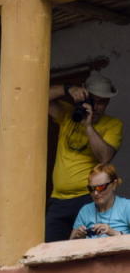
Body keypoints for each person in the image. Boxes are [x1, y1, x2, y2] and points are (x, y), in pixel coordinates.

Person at [46, 72, 122, 242]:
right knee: (51, 253)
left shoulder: (113, 125)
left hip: (88, 197)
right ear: (85, 97)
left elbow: (104, 157)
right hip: (58, 199)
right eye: (93, 100)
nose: (97, 106)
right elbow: (36, 97)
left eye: (102, 102)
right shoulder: (68, 114)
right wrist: (68, 89)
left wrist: (88, 126)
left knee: (87, 252)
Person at [70, 163, 130, 239]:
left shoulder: (127, 207)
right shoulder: (85, 210)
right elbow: (70, 243)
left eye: (101, 187)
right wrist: (78, 237)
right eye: (91, 188)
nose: (95, 193)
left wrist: (114, 233)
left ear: (114, 185)